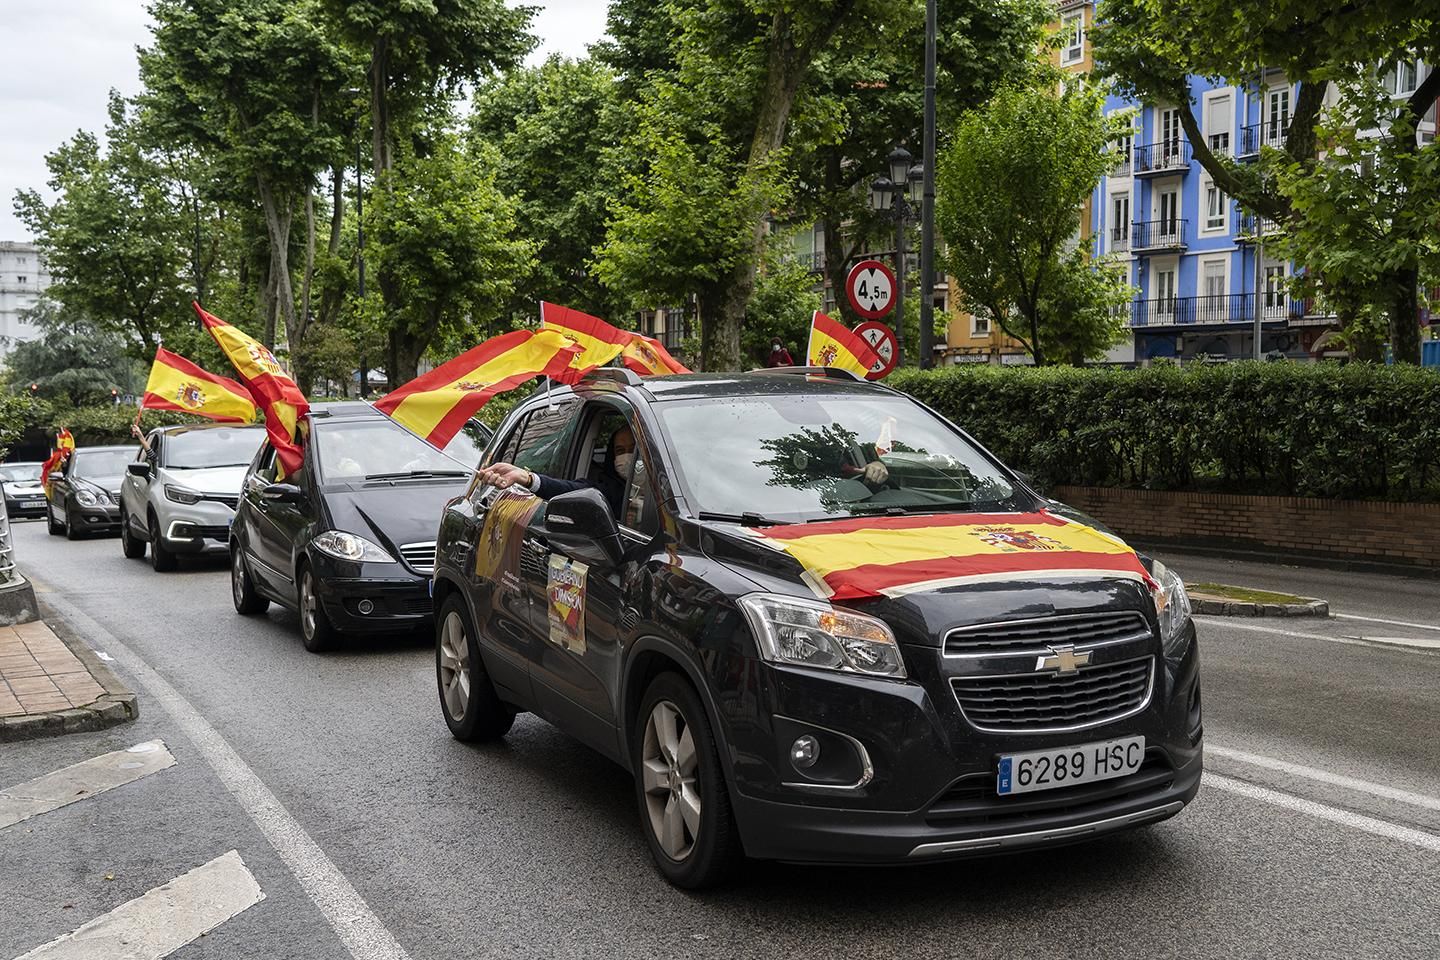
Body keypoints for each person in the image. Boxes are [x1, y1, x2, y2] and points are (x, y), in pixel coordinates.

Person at [480, 423, 636, 517]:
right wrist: (528, 478)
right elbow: (571, 489)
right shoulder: (609, 490)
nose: (628, 457)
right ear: (612, 456)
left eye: (634, 450)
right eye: (620, 451)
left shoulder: (659, 488)